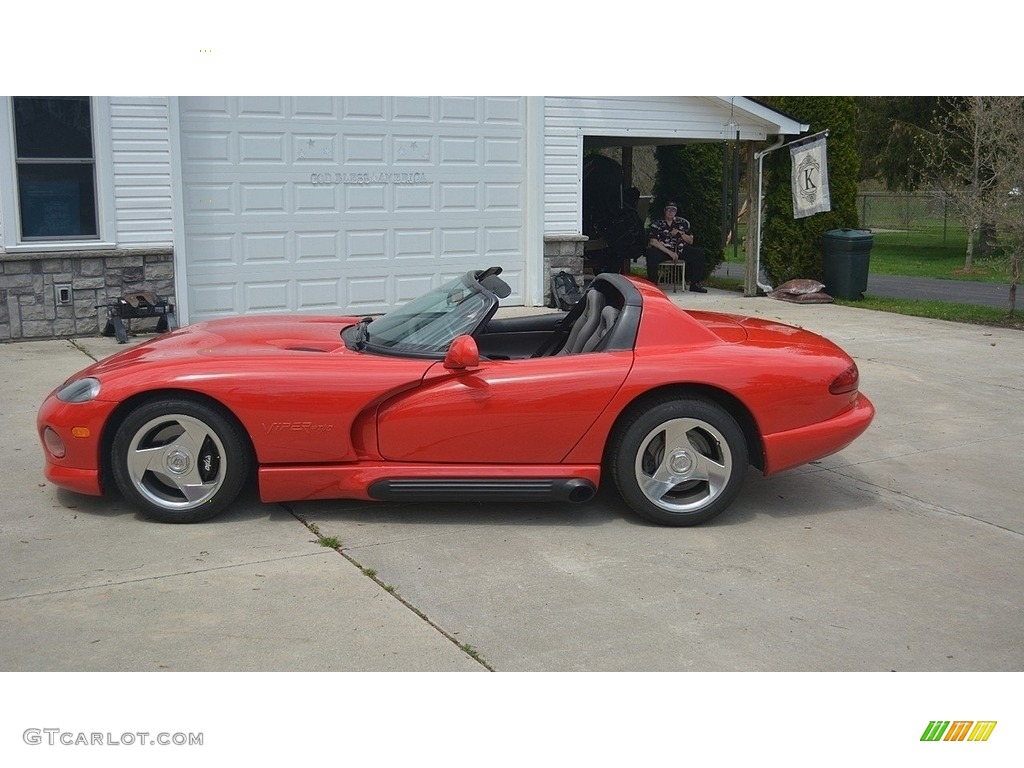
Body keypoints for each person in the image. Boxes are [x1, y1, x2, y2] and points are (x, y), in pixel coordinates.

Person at [645, 201, 708, 292]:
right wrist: (670, 253)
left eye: (673, 210)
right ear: (665, 211)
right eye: (668, 210)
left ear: (676, 212)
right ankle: (653, 284)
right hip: (664, 250)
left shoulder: (681, 223)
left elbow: (690, 240)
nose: (671, 212)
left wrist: (680, 233)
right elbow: (653, 241)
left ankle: (695, 284)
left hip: (680, 249)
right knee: (651, 253)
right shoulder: (657, 223)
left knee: (699, 254)